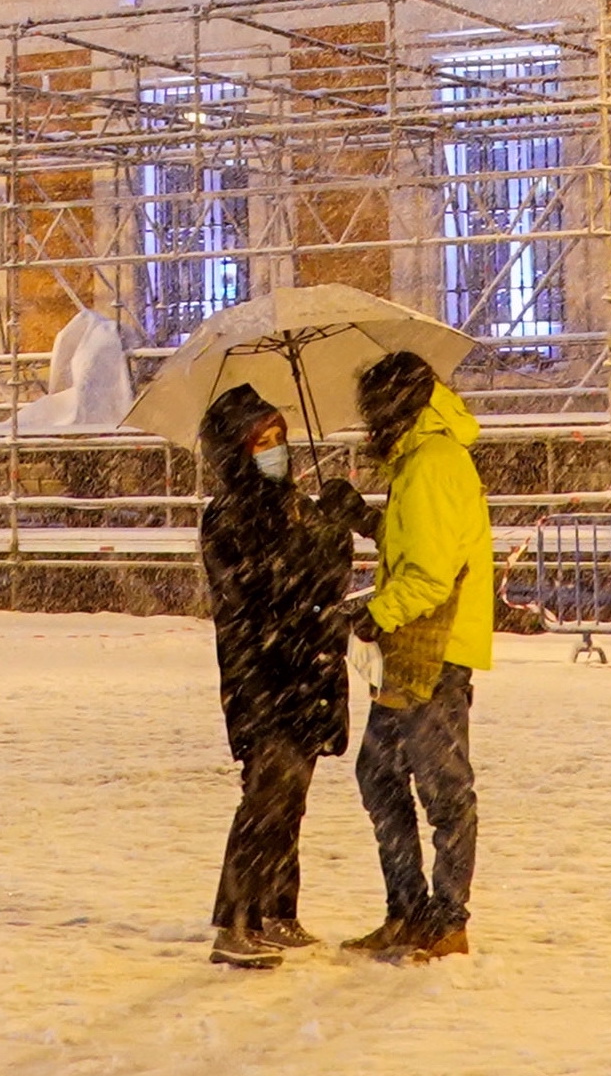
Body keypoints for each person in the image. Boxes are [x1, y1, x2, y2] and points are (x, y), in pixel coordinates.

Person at [195, 383, 373, 970]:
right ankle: (236, 922)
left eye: (278, 437)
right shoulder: (233, 514)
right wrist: (326, 532)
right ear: (235, 453)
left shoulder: (287, 503)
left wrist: (332, 523)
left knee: (289, 799)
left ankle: (278, 910)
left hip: (303, 673)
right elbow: (280, 586)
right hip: (266, 678)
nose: (275, 450)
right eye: (260, 441)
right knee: (267, 799)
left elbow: (322, 582)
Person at [342, 348, 492, 963]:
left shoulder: (433, 462)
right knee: (379, 776)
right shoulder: (417, 461)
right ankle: (406, 912)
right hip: (412, 647)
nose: (366, 421)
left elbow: (431, 575)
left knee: (444, 790)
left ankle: (447, 921)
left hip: (435, 646)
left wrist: (375, 613)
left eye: (372, 407)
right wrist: (366, 521)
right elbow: (417, 542)